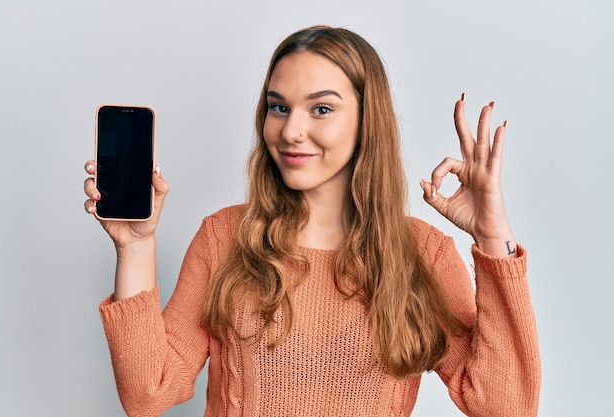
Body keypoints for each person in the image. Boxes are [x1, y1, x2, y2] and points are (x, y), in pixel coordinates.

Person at [83, 25, 540, 417]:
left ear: (366, 121)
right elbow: (149, 393)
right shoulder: (224, 237)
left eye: (321, 109)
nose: (290, 131)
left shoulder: (423, 253)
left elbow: (507, 406)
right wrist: (135, 246)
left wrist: (492, 236)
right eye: (278, 107)